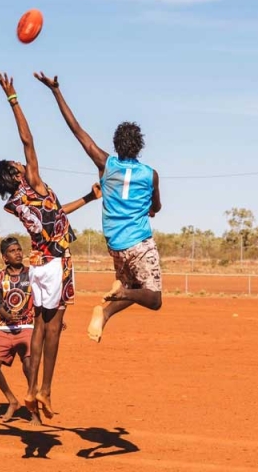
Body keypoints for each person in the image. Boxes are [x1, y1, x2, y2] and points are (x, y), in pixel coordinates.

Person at [0, 72, 100, 419]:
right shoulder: (32, 181)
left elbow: (55, 213)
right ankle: (44, 390)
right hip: (55, 262)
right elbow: (28, 139)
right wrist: (13, 98)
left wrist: (87, 198)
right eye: (17, 164)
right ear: (16, 173)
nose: (23, 162)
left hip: (38, 264)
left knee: (39, 325)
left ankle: (32, 389)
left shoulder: (19, 202)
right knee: (54, 330)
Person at [35, 72, 163, 343]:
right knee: (152, 298)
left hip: (115, 245)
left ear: (116, 145)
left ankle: (105, 312)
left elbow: (76, 129)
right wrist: (149, 209)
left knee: (131, 285)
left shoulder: (106, 164)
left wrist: (56, 91)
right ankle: (122, 292)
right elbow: (157, 207)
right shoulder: (151, 174)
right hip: (139, 242)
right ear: (139, 146)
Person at [0, 237, 41, 425]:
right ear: (5, 257)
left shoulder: (32, 274)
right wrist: (8, 316)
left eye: (19, 249)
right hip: (5, 326)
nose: (18, 253)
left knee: (28, 367)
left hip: (28, 325)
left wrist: (56, 320)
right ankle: (12, 400)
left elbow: (44, 297)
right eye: (12, 251)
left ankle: (34, 411)